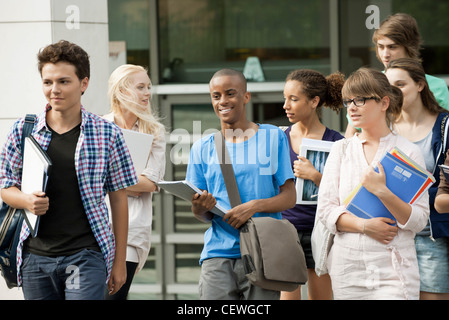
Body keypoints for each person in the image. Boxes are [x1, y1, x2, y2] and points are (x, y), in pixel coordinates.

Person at [0, 40, 138, 300]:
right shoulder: (23, 130)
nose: (54, 90)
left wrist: (119, 263)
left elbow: (119, 200)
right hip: (34, 257)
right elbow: (6, 187)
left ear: (83, 83)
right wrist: (27, 201)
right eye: (48, 82)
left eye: (64, 81)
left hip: (86, 255)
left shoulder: (106, 133)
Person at [317, 67, 430, 300]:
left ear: (384, 103)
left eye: (360, 99)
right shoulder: (341, 149)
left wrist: (382, 191)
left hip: (394, 268)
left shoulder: (408, 151)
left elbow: (419, 221)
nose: (352, 107)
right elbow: (326, 210)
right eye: (348, 101)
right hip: (347, 270)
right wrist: (366, 226)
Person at [186, 68, 296, 300]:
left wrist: (253, 206)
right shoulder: (202, 148)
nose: (223, 101)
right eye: (216, 96)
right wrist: (201, 206)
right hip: (217, 254)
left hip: (262, 253)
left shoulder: (272, 137)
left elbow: (289, 196)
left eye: (230, 93)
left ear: (246, 96)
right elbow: (199, 214)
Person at [385, 58, 449, 300]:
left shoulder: (445, 125)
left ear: (420, 85)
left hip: (430, 235)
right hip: (390, 236)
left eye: (401, 84)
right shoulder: (384, 125)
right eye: (389, 86)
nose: (394, 92)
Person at [280, 69, 344, 300]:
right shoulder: (278, 138)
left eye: (293, 99)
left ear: (314, 101)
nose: (286, 105)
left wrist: (316, 176)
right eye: (285, 98)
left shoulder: (338, 143)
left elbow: (346, 193)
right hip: (286, 230)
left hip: (323, 231)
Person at [103, 64, 166, 299]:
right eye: (141, 87)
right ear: (121, 91)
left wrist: (109, 180)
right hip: (94, 231)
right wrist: (131, 183)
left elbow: (151, 183)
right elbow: (87, 179)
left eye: (148, 87)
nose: (148, 93)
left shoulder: (155, 133)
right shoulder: (97, 127)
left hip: (132, 234)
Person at [345, 13, 449, 138]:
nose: (385, 54)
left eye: (392, 47)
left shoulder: (436, 86)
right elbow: (351, 134)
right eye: (380, 47)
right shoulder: (369, 84)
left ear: (409, 47)